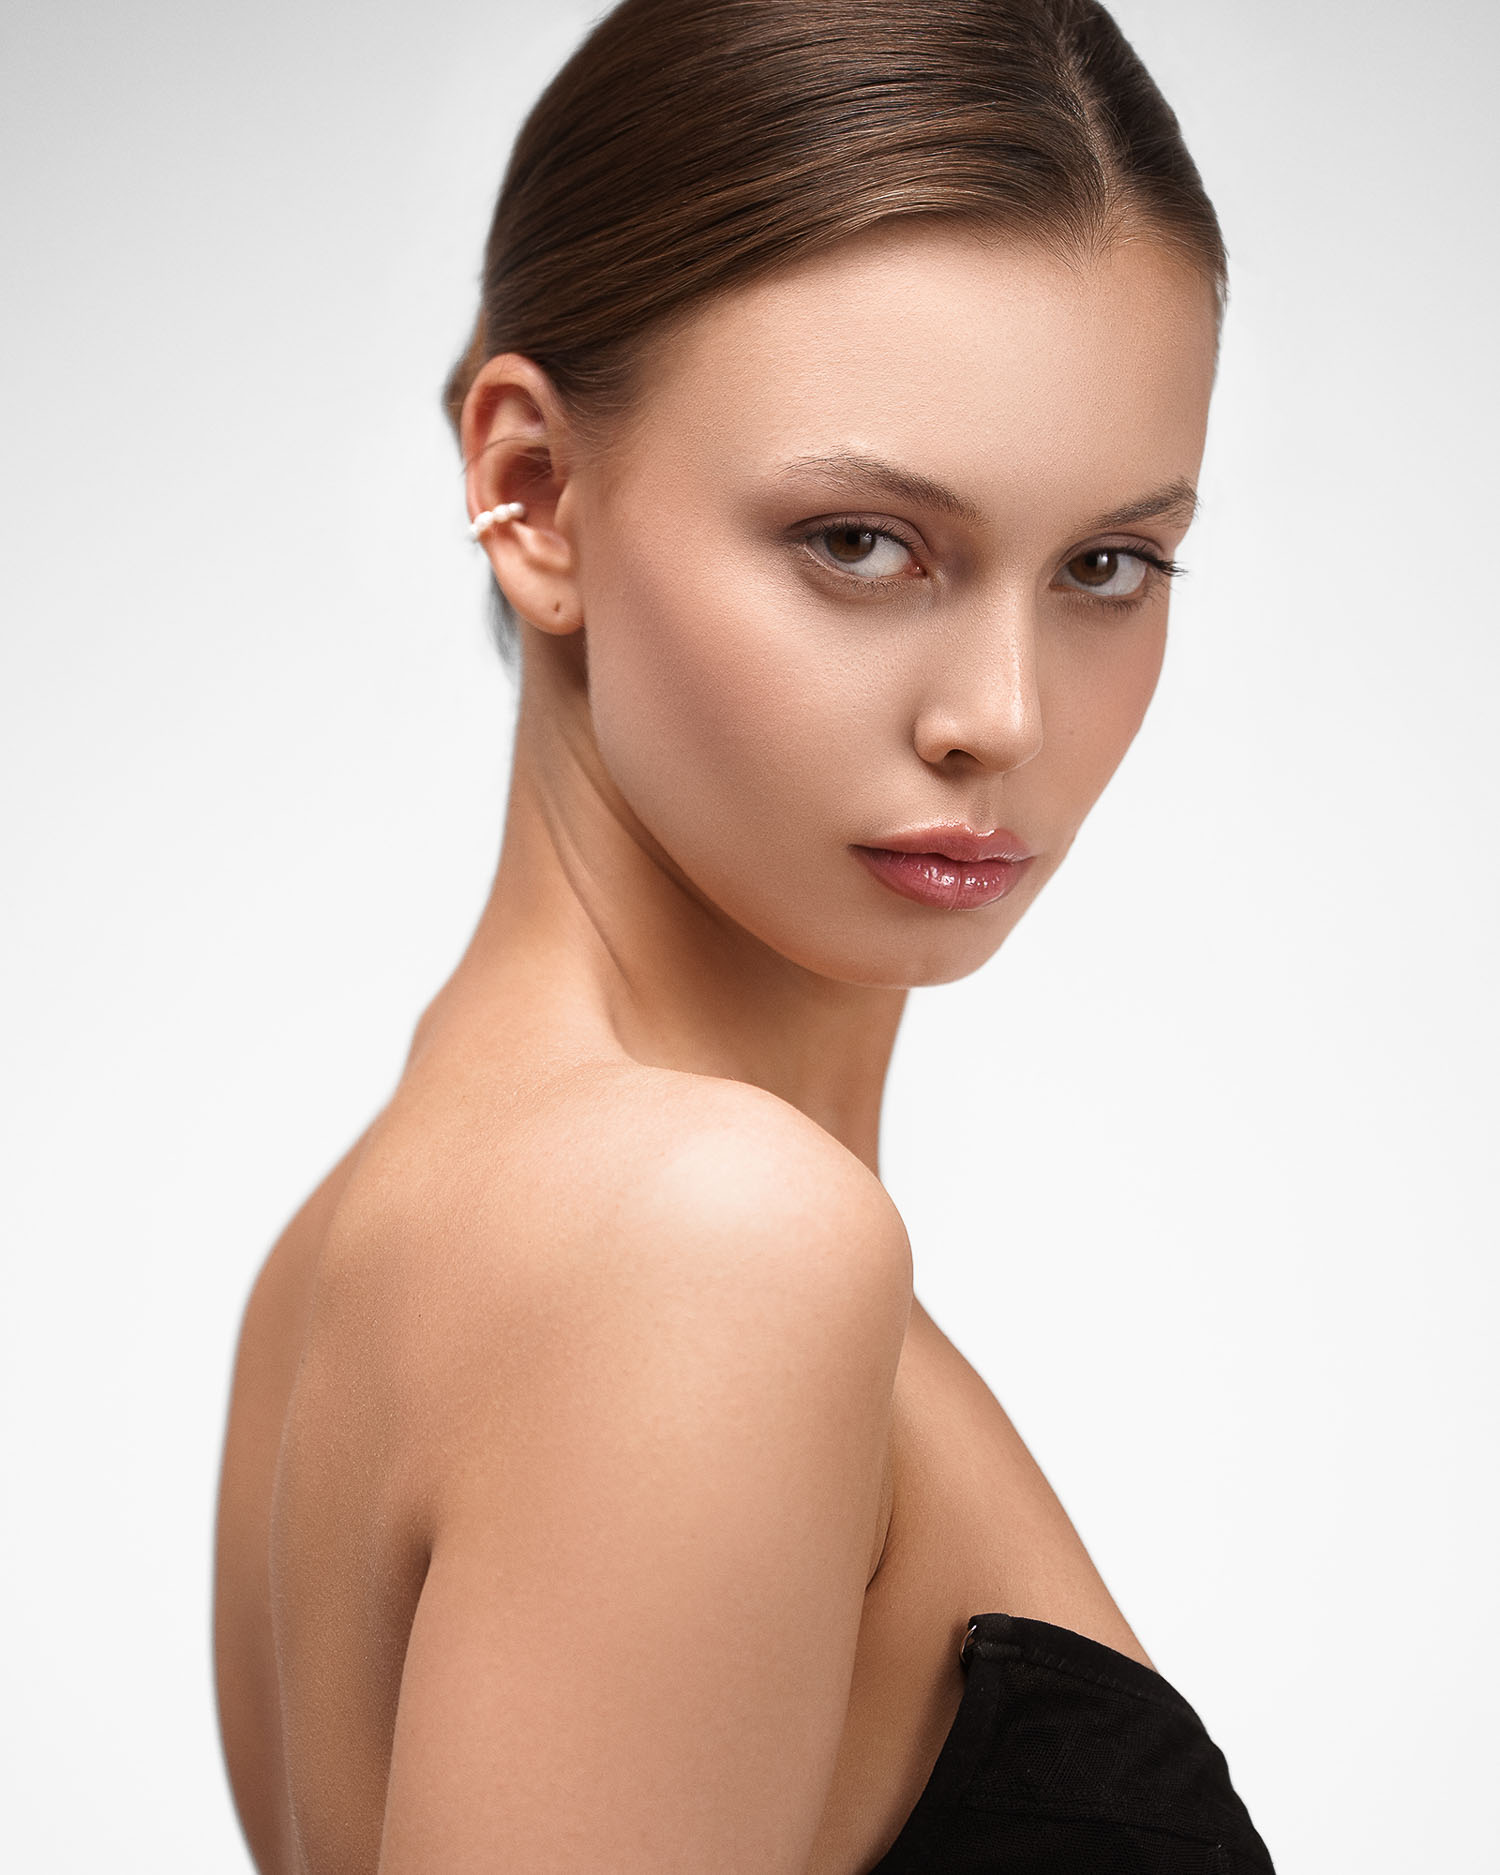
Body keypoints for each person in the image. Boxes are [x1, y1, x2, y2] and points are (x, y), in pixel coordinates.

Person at [213, 0, 1276, 1868]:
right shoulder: (699, 1243)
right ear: (533, 493)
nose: (1003, 714)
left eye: (1108, 564)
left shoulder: (362, 1240)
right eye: (862, 542)